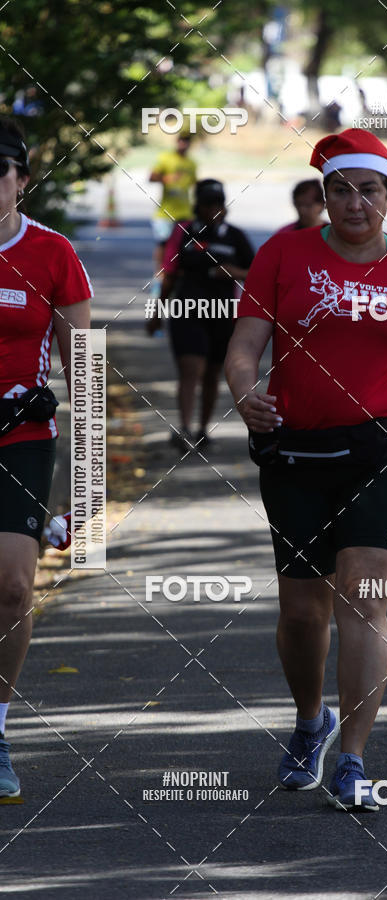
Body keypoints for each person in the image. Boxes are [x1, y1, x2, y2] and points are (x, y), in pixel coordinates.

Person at [225, 128, 387, 811]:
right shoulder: (284, 254)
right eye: (341, 188)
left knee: (364, 597)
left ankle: (355, 761)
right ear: (325, 194)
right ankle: (313, 722)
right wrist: (245, 391)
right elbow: (245, 343)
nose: (354, 202)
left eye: (369, 189)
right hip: (298, 450)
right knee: (303, 612)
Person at [0, 116, 92, 797]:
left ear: (21, 181)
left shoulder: (52, 254)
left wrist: (85, 487)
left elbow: (84, 374)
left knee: (10, 587)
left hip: (20, 440)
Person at [148, 179, 254, 451]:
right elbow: (168, 274)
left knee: (212, 373)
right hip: (187, 310)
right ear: (198, 205)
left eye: (217, 204)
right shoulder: (183, 231)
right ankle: (183, 428)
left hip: (222, 313)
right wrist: (157, 312)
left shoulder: (235, 236)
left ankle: (204, 429)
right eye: (207, 204)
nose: (213, 210)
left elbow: (256, 274)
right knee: (191, 369)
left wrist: (231, 272)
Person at [148, 133, 197, 297]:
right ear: (177, 142)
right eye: (182, 141)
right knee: (163, 246)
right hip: (165, 213)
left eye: (187, 142)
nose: (184, 145)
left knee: (182, 250)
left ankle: (176, 283)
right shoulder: (165, 158)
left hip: (185, 212)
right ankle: (159, 280)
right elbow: (152, 177)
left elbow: (194, 185)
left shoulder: (191, 163)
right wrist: (166, 178)